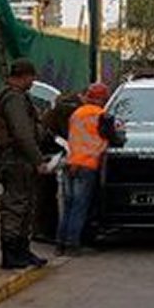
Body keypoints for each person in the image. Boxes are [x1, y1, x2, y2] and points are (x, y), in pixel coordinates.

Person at [0, 59, 50, 270]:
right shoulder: (14, 99)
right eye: (31, 77)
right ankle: (11, 253)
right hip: (16, 159)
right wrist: (38, 160)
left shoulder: (12, 97)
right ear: (24, 76)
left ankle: (22, 250)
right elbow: (23, 133)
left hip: (18, 159)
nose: (33, 81)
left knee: (26, 204)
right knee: (16, 205)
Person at [58, 82, 124, 256]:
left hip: (70, 163)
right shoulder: (102, 116)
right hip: (87, 165)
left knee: (69, 205)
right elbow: (114, 139)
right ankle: (73, 244)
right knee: (80, 207)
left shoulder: (76, 114)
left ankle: (61, 244)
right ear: (103, 98)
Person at [34, 89, 84, 244]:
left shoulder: (51, 115)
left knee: (45, 194)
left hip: (46, 155)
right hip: (51, 156)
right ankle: (47, 231)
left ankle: (43, 230)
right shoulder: (69, 114)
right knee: (51, 194)